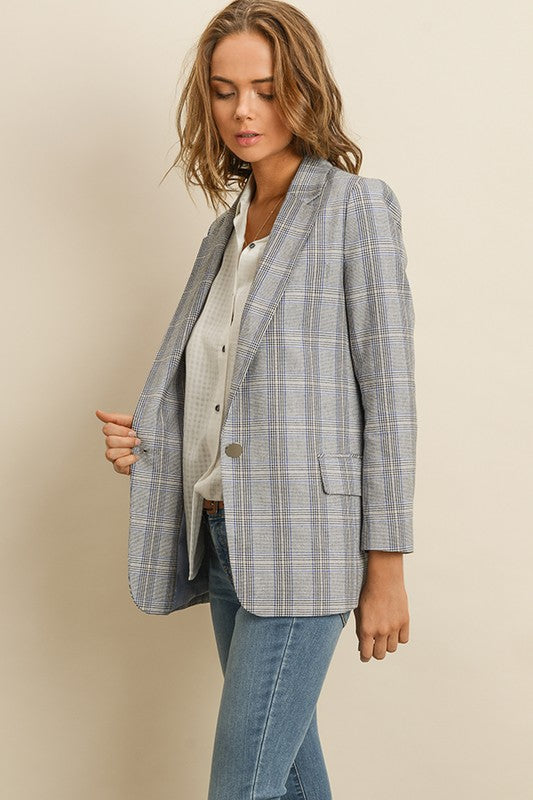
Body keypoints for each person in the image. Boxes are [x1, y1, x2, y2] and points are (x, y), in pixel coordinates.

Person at [95, 1, 417, 797]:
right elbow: (225, 394)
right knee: (291, 778)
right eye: (224, 90)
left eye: (267, 90)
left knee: (240, 787)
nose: (244, 110)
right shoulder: (224, 231)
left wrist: (385, 569)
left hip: (306, 546)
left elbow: (389, 399)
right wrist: (151, 440)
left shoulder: (354, 207)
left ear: (305, 90)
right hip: (224, 539)